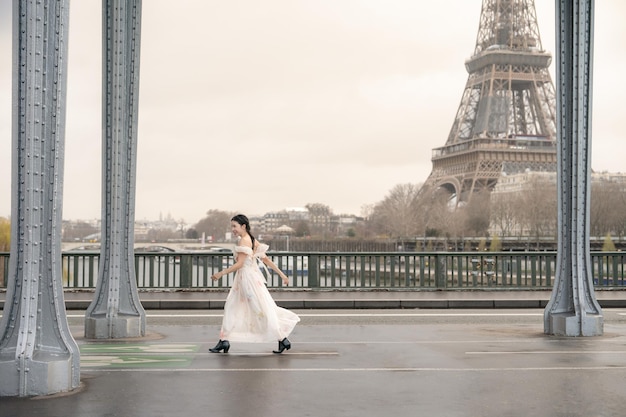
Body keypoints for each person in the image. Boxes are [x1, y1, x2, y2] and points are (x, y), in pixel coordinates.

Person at [208, 214, 300, 354]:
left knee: (254, 310)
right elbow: (266, 260)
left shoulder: (244, 241)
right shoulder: (251, 240)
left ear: (243, 226)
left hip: (246, 280)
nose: (233, 229)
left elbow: (239, 264)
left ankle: (281, 338)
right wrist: (282, 274)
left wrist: (221, 273)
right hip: (251, 279)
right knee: (257, 308)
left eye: (234, 226)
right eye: (232, 226)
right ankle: (224, 340)